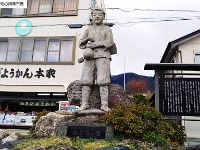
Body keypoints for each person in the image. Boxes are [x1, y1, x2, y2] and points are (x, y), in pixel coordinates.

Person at [78, 7, 116, 112]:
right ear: (92, 17)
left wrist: (95, 44)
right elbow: (81, 43)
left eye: (99, 14)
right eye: (95, 15)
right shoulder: (88, 29)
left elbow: (109, 42)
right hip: (89, 57)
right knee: (86, 80)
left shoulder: (107, 29)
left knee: (103, 80)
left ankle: (104, 105)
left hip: (103, 56)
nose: (97, 16)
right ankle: (84, 104)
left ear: (104, 16)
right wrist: (87, 41)